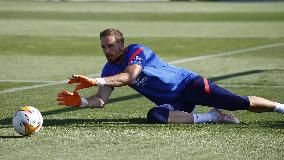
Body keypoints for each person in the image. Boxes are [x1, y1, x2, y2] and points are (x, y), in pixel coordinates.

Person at [57, 28, 284, 124]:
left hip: (189, 84)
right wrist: (82, 102)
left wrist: (95, 80)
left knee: (238, 102)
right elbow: (101, 100)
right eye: (103, 48)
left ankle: (281, 107)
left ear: (121, 44)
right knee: (155, 115)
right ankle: (213, 117)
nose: (107, 51)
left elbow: (130, 77)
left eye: (110, 46)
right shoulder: (108, 70)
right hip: (175, 101)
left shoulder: (138, 51)